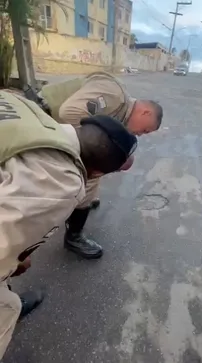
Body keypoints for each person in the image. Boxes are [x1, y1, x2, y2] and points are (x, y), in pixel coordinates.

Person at [0, 90, 137, 359]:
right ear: (96, 173)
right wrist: (13, 263)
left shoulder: (23, 106)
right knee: (8, 307)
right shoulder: (62, 182)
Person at [38, 71, 162, 259]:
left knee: (95, 170)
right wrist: (89, 146)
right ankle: (74, 236)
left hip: (48, 119)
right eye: (145, 130)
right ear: (145, 112)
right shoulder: (115, 96)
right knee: (89, 172)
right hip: (43, 117)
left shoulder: (119, 108)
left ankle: (86, 200)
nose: (140, 134)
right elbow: (69, 112)